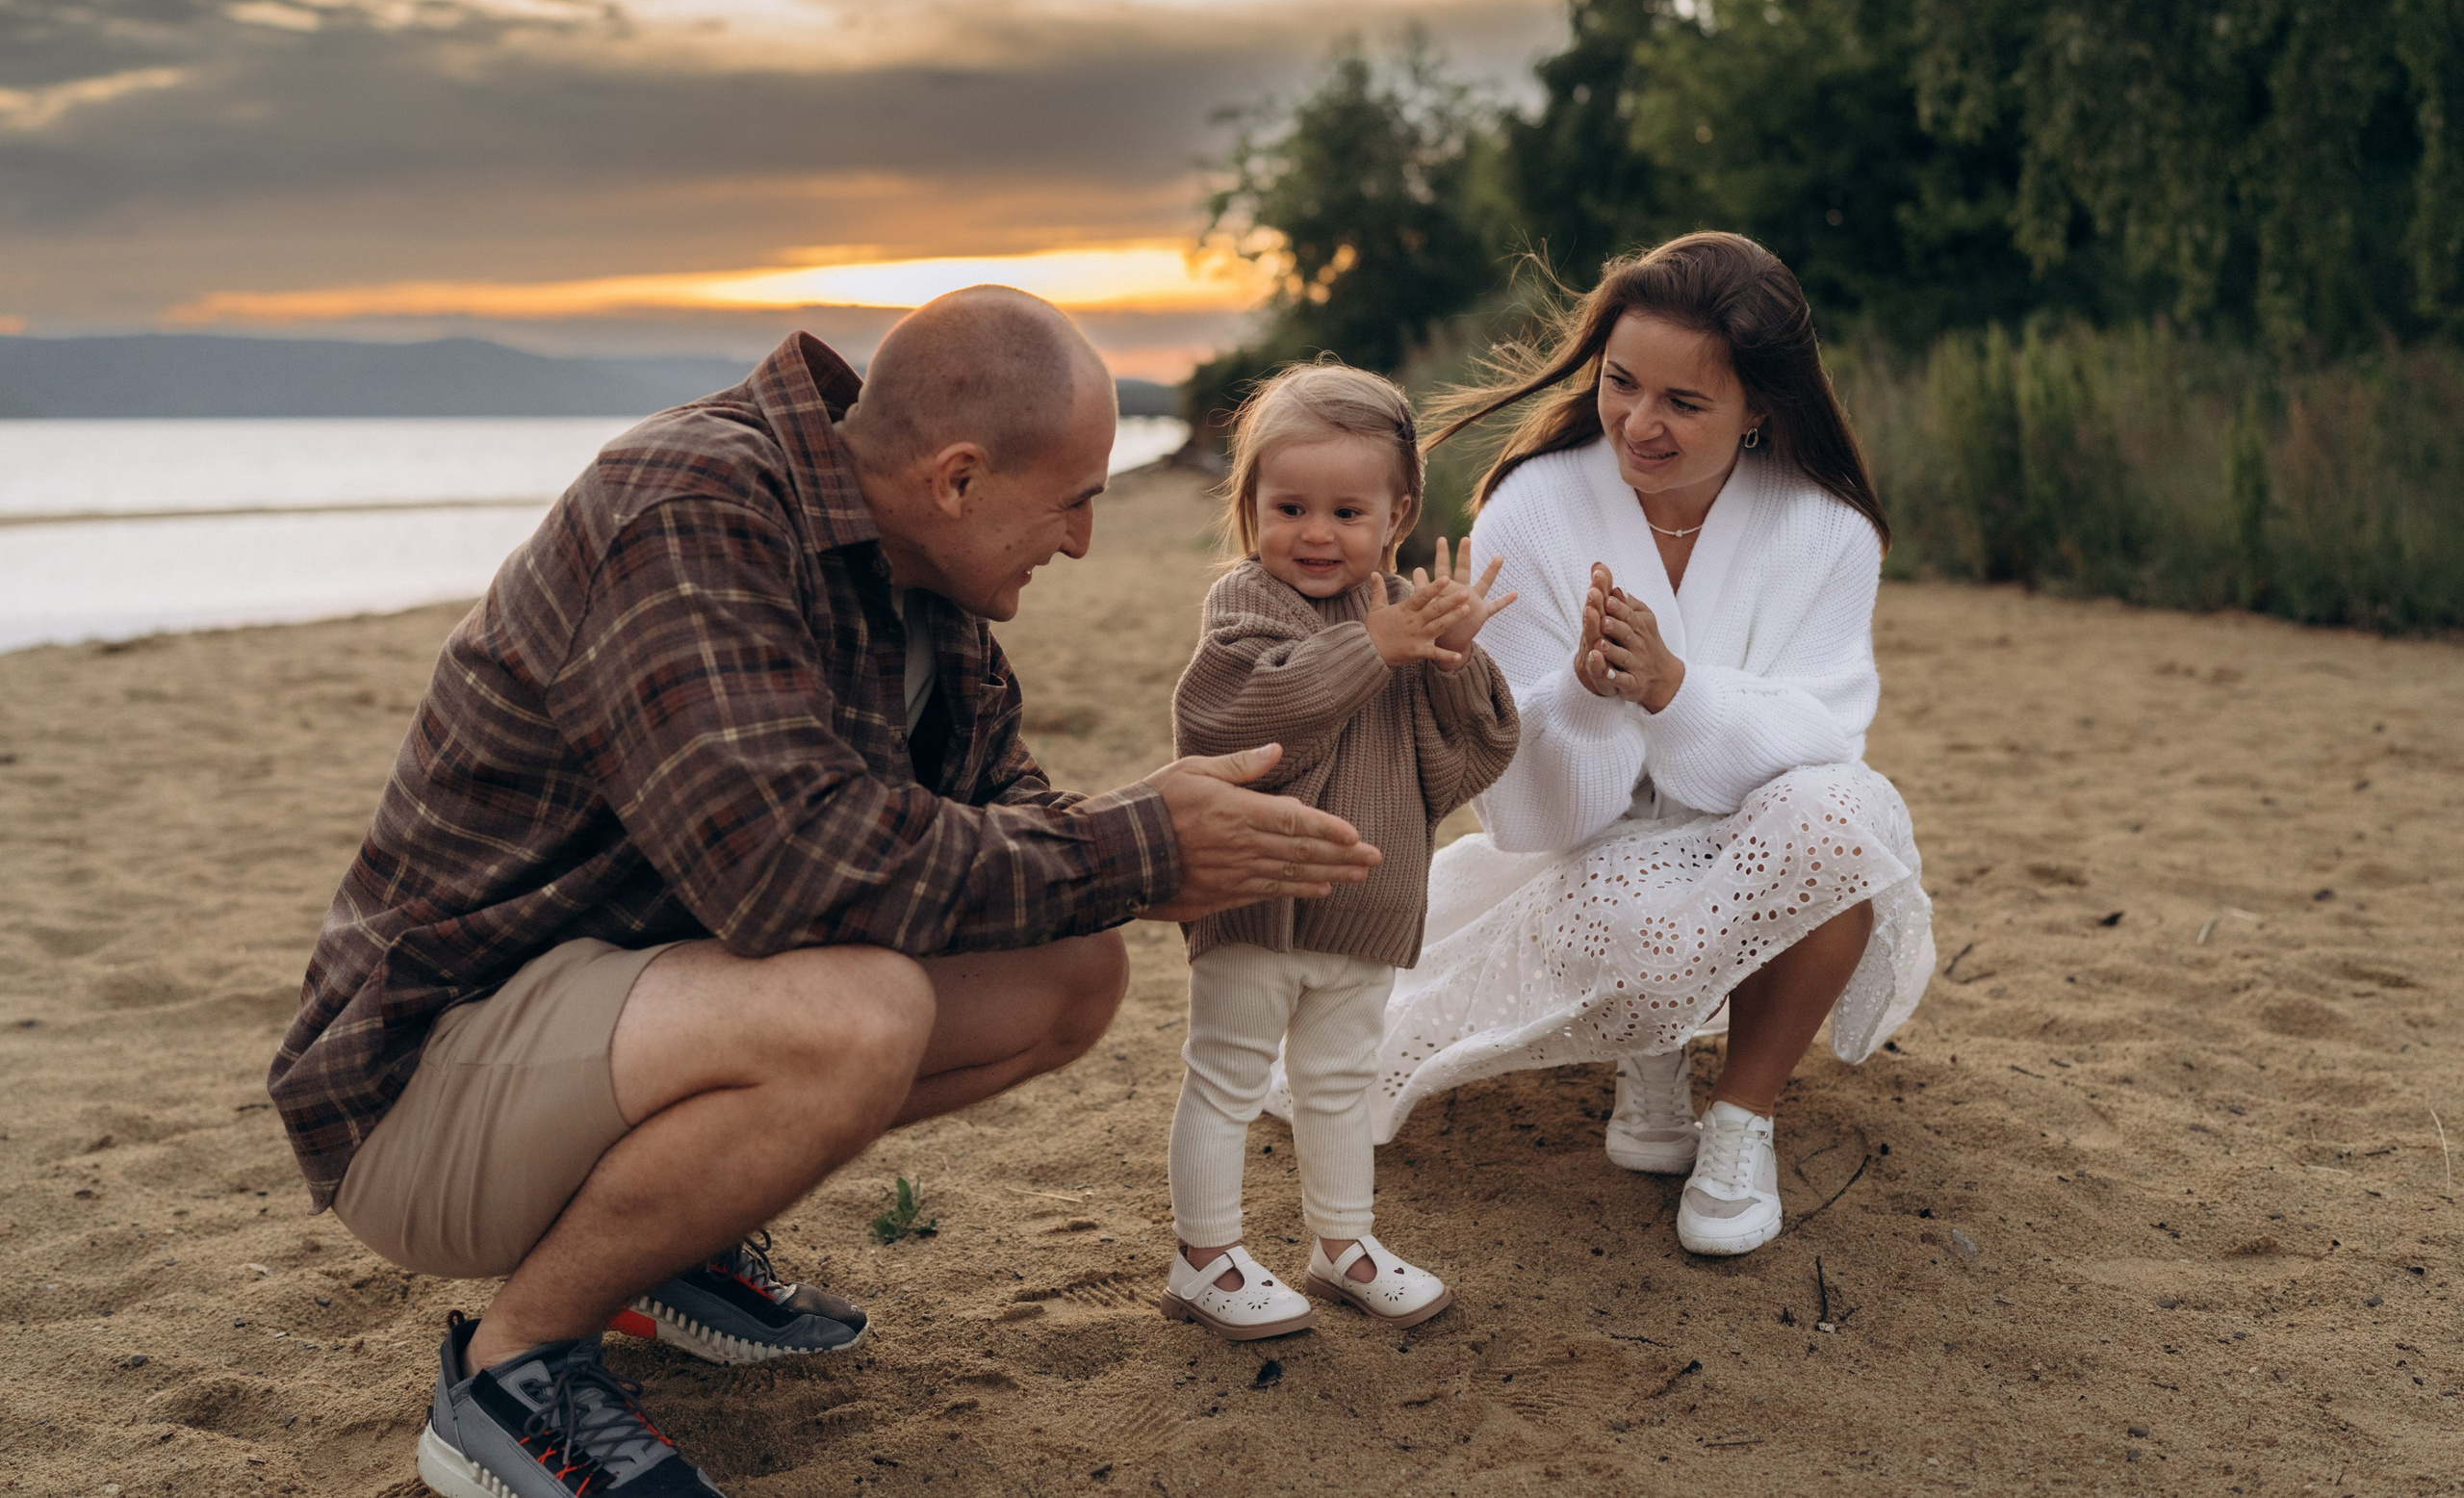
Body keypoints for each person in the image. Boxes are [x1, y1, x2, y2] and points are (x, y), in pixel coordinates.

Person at [267, 287, 1385, 1498]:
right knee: (856, 1013)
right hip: (422, 1085)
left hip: (610, 1030)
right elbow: (787, 867)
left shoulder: (919, 586)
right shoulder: (689, 507)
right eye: (1075, 499)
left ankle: (663, 1244)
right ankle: (511, 1372)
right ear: (957, 480)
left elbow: (1008, 818)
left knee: (1070, 975)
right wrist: (1140, 849)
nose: (1079, 542)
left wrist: (1151, 831)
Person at [1356, 233, 1936, 1258]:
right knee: (1636, 912)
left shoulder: (1826, 531)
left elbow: (1823, 733)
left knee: (1853, 818)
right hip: (1588, 854)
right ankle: (1653, 1057)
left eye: (1683, 403)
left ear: (1759, 408)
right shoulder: (1532, 508)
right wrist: (1583, 702)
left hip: (1749, 819)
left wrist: (1676, 692)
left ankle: (1741, 1119)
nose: (1638, 422)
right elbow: (1527, 814)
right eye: (1621, 383)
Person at [1160, 364, 1519, 1340]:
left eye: (1347, 511)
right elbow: (1243, 713)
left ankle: (1340, 1243)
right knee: (1227, 1074)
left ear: (1397, 514)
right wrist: (1378, 646)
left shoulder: (1406, 615)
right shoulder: (1247, 606)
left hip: (1368, 906)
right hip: (1257, 903)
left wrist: (1455, 660)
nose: (1315, 534)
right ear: (1248, 509)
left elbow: (1470, 757)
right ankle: (1203, 1258)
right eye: (1288, 507)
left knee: (1338, 1081)